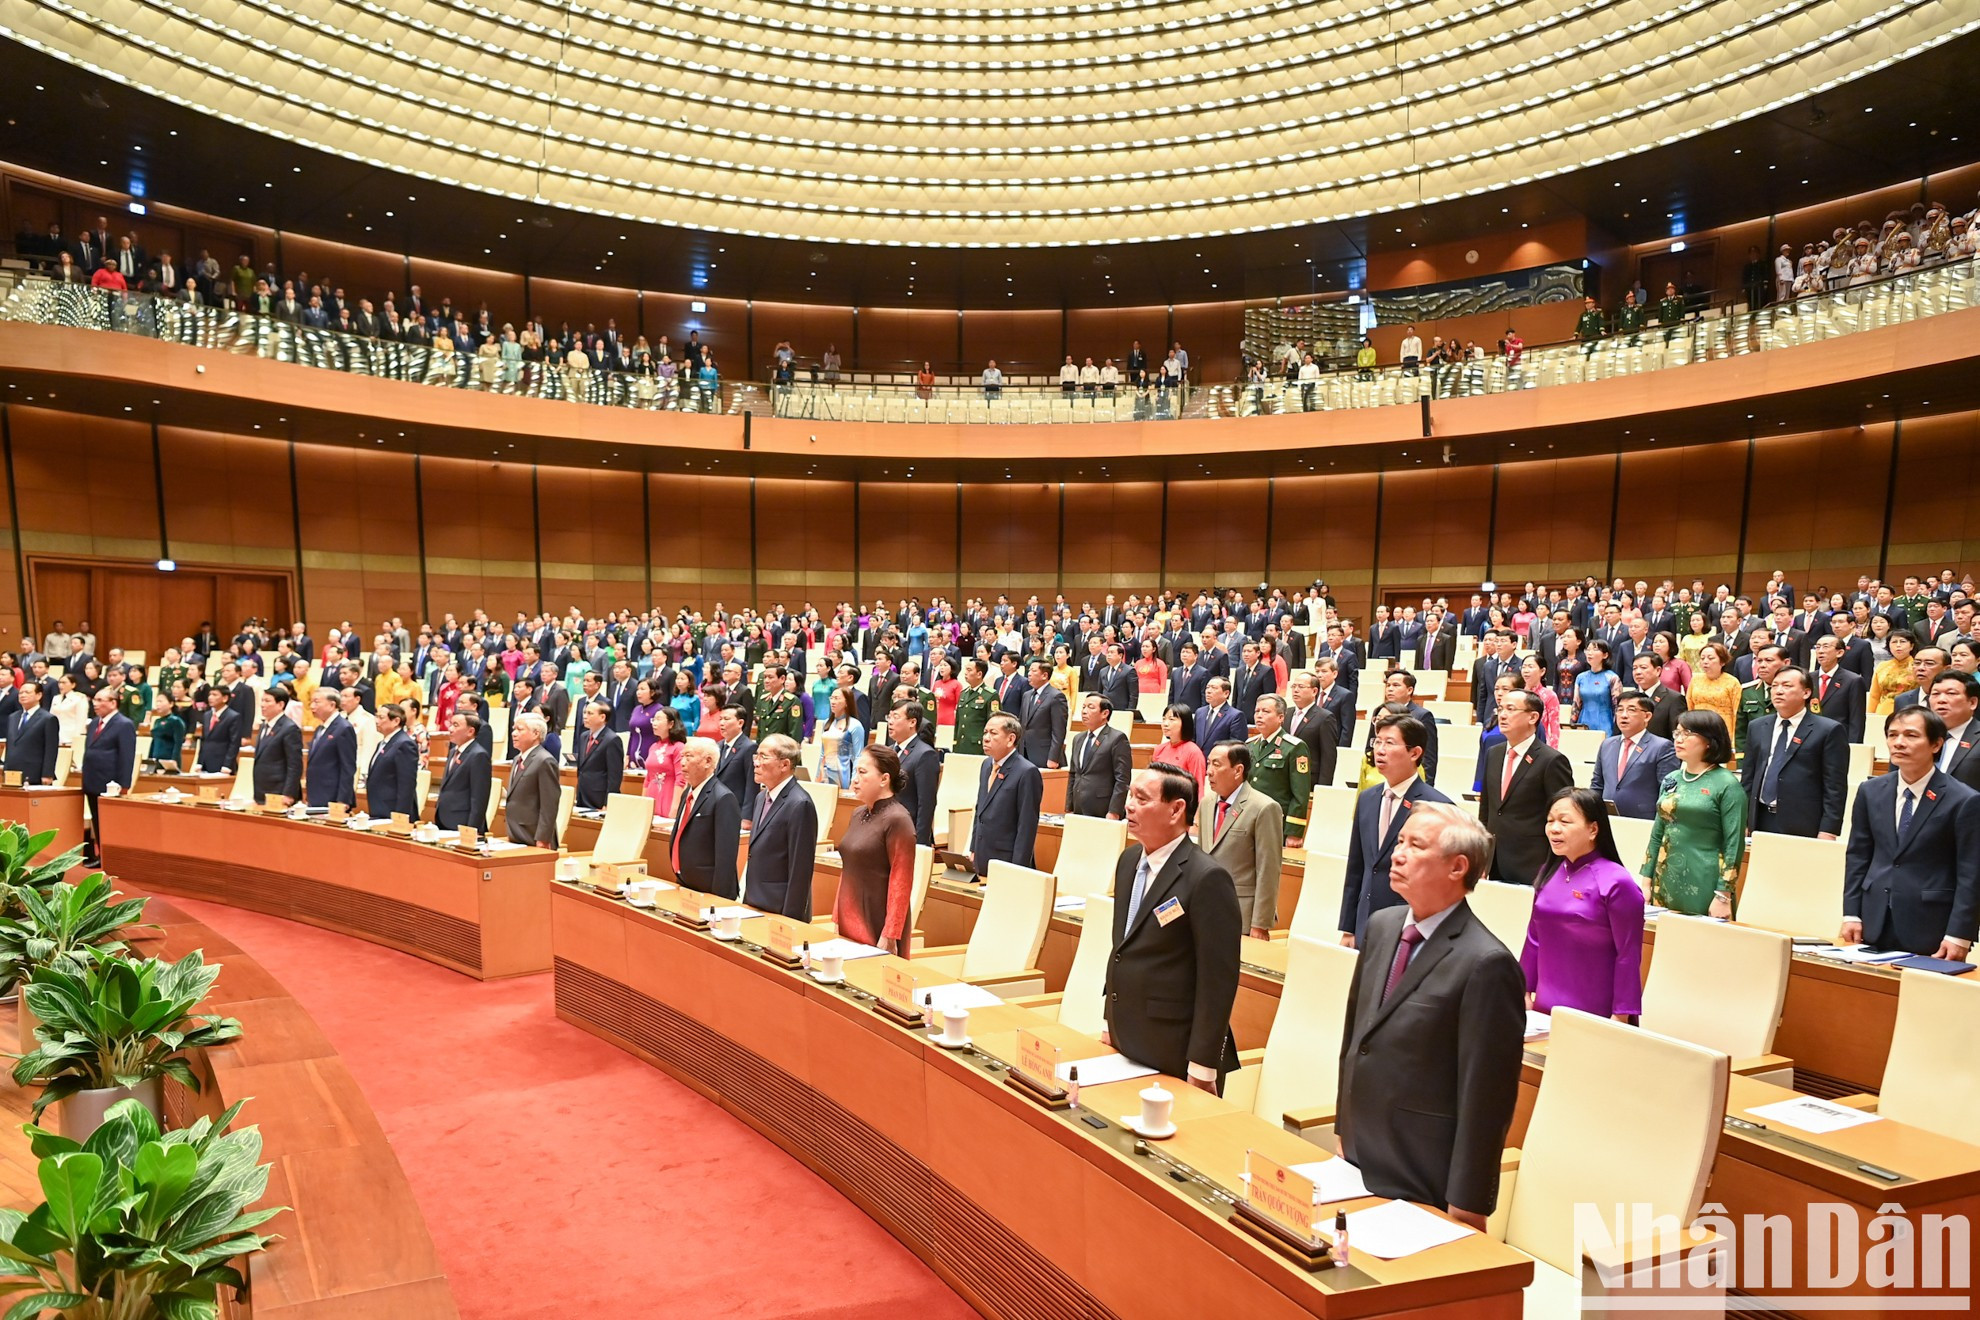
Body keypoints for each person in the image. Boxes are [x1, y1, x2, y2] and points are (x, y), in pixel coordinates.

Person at [1335, 803, 1525, 1229]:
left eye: (1415, 845)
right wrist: (1344, 1133)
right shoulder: (1383, 926)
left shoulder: (1486, 963)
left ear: (1458, 867)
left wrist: (1468, 1203)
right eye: (1400, 841)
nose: (1397, 854)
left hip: (1425, 1176)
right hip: (1360, 1158)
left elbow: (1486, 1099)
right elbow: (1356, 1038)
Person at [1103, 764, 1242, 1090]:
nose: (1129, 805)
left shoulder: (1207, 878)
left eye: (1142, 798)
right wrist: (1109, 1020)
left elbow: (1218, 981)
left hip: (1175, 1049)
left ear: (1176, 809)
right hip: (1126, 1037)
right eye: (1130, 795)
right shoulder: (1128, 861)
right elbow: (1121, 949)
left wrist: (1204, 1065)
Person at [1841, 707, 1980, 959]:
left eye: (1911, 735)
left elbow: (1971, 873)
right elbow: (1858, 856)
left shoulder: (1964, 800)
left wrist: (1960, 933)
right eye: (1892, 735)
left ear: (1936, 744)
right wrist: (1851, 912)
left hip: (1931, 924)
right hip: (1874, 917)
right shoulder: (1870, 791)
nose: (1899, 743)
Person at [1519, 787, 1645, 1021]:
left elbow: (1628, 953)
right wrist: (1524, 988)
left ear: (1593, 829)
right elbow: (1534, 936)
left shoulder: (1617, 882)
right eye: (1550, 820)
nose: (1554, 828)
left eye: (1565, 821)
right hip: (1545, 1005)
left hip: (1595, 1010)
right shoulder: (1549, 871)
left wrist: (1621, 1014)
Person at [1340, 712, 1451, 944]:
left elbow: (1438, 878)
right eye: (1377, 741)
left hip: (1409, 924)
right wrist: (1348, 927)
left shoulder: (1436, 806)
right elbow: (1357, 867)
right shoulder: (1368, 798)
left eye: (1389, 743)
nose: (1379, 750)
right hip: (1365, 922)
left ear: (1415, 753)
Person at [1642, 711, 1745, 918]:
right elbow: (1657, 832)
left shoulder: (1727, 784)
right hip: (1666, 874)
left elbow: (1734, 844)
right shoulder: (1672, 779)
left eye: (1687, 733)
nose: (1679, 739)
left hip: (1705, 877)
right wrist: (1646, 879)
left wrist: (1723, 894)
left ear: (1709, 740)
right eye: (1677, 733)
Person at [1479, 689, 1574, 885]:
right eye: (1500, 709)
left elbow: (1564, 817)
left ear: (1532, 717)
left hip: (1533, 863)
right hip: (1495, 861)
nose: (1502, 715)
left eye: (1511, 709)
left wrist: (1554, 867)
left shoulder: (1552, 761)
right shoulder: (1494, 753)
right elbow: (1487, 809)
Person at [1741, 667, 1848, 840]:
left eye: (1786, 685)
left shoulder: (1828, 730)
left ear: (1806, 692)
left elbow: (1835, 787)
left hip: (1803, 822)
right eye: (1775, 686)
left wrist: (1829, 829)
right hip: (1760, 818)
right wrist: (1744, 820)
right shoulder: (1757, 726)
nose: (1778, 691)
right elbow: (1748, 778)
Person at [833, 744, 917, 951]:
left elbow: (901, 882)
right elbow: (848, 868)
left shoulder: (898, 819)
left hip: (877, 923)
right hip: (848, 917)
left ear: (884, 779)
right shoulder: (858, 813)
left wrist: (890, 934)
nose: (855, 779)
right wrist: (836, 916)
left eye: (862, 772)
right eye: (855, 772)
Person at [1199, 741, 1285, 937]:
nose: (1209, 772)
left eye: (1216, 764)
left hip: (1241, 914)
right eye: (1208, 763)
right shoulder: (1206, 803)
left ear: (1238, 771)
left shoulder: (1264, 807)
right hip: (1204, 910)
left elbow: (1269, 870)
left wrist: (1260, 923)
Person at [742, 734, 817, 919]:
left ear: (784, 765)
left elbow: (800, 870)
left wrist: (790, 920)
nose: (756, 763)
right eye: (756, 756)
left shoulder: (799, 804)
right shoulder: (761, 797)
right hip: (754, 902)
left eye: (763, 757)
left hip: (780, 909)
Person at [970, 712, 1042, 876]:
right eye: (985, 732)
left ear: (1010, 739)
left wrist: (1017, 869)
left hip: (1006, 860)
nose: (986, 738)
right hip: (982, 856)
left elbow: (1027, 826)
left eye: (993, 733)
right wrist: (973, 849)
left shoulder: (1027, 772)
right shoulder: (986, 765)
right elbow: (979, 810)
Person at [670, 737, 741, 898]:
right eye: (682, 757)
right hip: (686, 882)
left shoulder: (723, 798)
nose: (682, 763)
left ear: (708, 762)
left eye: (689, 756)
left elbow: (726, 856)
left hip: (709, 890)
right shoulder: (687, 794)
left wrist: (718, 898)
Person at [1590, 690, 1677, 821]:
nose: (1624, 715)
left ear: (1647, 716)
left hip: (1643, 821)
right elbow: (1597, 785)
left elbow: (1667, 793)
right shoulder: (1607, 745)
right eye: (1620, 710)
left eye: (1631, 710)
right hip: (1606, 819)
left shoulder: (1662, 747)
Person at [78, 688, 135, 867]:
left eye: (100, 700)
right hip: (92, 779)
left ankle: (112, 859)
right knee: (97, 820)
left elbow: (127, 756)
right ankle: (101, 856)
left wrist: (123, 784)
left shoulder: (124, 724)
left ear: (113, 703)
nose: (95, 703)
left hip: (111, 782)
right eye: (94, 699)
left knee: (110, 823)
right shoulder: (95, 723)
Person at [1065, 693, 1132, 820]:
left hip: (1103, 809)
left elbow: (1122, 779)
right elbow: (1073, 774)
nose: (1084, 711)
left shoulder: (1117, 738)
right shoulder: (1078, 738)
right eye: (1083, 707)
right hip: (1078, 807)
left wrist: (1114, 810)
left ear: (1105, 713)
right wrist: (1069, 806)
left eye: (1090, 707)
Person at [505, 712, 562, 847]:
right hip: (516, 833)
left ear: (536, 733)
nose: (513, 733)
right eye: (514, 729)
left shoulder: (544, 760)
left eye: (519, 729)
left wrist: (542, 839)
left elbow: (549, 805)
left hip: (534, 836)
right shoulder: (517, 759)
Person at [889, 700, 941, 847]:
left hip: (907, 831)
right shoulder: (889, 751)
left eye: (896, 717)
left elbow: (926, 803)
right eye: (890, 717)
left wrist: (920, 842)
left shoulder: (925, 754)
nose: (890, 722)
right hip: (887, 827)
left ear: (912, 722)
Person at [432, 713, 493, 831]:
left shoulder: (478, 755)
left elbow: (479, 797)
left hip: (463, 822)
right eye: (450, 724)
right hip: (443, 818)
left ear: (470, 731)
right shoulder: (453, 751)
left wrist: (472, 829)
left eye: (455, 725)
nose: (450, 729)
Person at [302, 689, 357, 809]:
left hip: (333, 797)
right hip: (316, 795)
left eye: (316, 702)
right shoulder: (320, 729)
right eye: (311, 702)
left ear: (332, 705)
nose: (312, 706)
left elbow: (347, 767)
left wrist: (343, 800)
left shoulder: (344, 728)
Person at [365, 703, 420, 819]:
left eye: (381, 717)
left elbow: (406, 784)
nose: (376, 721)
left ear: (396, 721)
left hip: (393, 810)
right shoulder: (383, 743)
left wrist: (401, 815)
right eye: (376, 716)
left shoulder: (404, 744)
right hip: (379, 807)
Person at [251, 688, 304, 806]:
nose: (262, 705)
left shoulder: (289, 728)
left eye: (267, 701)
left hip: (279, 791)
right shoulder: (264, 725)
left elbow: (294, 765)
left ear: (280, 704)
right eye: (262, 700)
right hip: (261, 790)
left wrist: (289, 793)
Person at [1685, 641, 1742, 746]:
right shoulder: (1695, 680)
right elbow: (1690, 706)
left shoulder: (1732, 682)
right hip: (1698, 728)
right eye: (1702, 658)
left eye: (1711, 658)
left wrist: (1735, 740)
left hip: (1722, 730)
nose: (1705, 662)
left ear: (1722, 662)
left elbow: (1736, 713)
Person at [2, 680, 59, 784]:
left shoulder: (48, 718)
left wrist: (47, 774)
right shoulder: (13, 717)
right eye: (20, 692)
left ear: (39, 695)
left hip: (34, 772)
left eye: (27, 692)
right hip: (12, 772)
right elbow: (10, 745)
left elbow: (51, 749)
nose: (23, 695)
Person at [573, 700, 625, 812]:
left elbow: (614, 776)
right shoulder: (583, 736)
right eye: (585, 713)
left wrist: (608, 802)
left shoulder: (612, 739)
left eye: (590, 713)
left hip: (599, 798)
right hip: (583, 795)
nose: (585, 717)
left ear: (602, 717)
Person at [1018, 659, 1067, 769]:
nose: (1029, 674)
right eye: (1029, 670)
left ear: (1044, 675)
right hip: (1024, 753)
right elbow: (1022, 724)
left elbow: (1059, 731)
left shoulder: (1056, 696)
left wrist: (1053, 758)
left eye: (1033, 671)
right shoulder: (1027, 695)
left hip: (1044, 755)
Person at [641, 704, 689, 816]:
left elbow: (681, 779)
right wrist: (642, 802)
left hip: (669, 797)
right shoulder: (653, 747)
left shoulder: (679, 747)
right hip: (651, 796)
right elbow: (648, 778)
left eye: (658, 719)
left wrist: (676, 806)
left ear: (671, 724)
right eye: (653, 719)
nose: (654, 723)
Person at [1150, 703, 1206, 796]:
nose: (1165, 724)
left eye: (1171, 719)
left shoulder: (1193, 752)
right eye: (1164, 719)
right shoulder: (1159, 749)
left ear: (1185, 723)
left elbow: (1198, 788)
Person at [818, 686, 865, 788]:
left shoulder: (855, 725)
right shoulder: (827, 723)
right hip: (826, 771)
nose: (833, 702)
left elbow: (858, 756)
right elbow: (822, 753)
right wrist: (818, 774)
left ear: (847, 702)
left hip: (844, 772)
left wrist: (854, 780)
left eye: (837, 698)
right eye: (831, 698)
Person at [1571, 638, 1621, 735]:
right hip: (1583, 721)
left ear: (1605, 655)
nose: (1590, 653)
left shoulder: (1612, 678)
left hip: (1605, 722)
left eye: (1595, 649)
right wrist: (1572, 725)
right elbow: (1576, 705)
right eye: (1588, 650)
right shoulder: (1581, 677)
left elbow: (1617, 707)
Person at [1869, 629, 1918, 715]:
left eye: (1902, 641)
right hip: (1883, 712)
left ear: (1911, 646)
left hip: (1909, 712)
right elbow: (1874, 696)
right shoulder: (1882, 666)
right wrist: (1870, 714)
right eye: (1894, 642)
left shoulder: (1918, 666)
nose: (1898, 645)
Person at [143, 694, 186, 773]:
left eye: (161, 701)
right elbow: (153, 742)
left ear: (171, 704)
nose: (158, 704)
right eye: (157, 701)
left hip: (169, 762)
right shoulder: (157, 721)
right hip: (156, 761)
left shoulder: (176, 721)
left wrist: (174, 760)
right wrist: (149, 760)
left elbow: (178, 743)